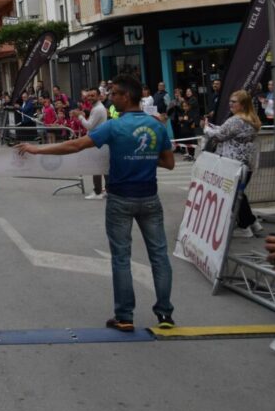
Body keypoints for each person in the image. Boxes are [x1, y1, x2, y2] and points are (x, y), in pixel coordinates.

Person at [16, 73, 176, 332]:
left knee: (121, 257)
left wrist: (37, 150)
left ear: (126, 97)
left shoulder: (114, 126)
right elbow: (169, 163)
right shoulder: (156, 125)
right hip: (149, 197)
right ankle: (165, 314)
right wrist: (143, 155)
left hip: (121, 198)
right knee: (159, 255)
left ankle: (125, 316)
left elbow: (76, 145)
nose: (110, 98)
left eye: (114, 94)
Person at [202, 90, 262, 238]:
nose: (230, 104)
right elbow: (226, 131)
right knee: (239, 194)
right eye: (230, 101)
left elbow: (219, 135)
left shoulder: (236, 120)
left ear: (242, 104)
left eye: (233, 102)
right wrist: (214, 127)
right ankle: (253, 223)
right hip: (245, 164)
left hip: (232, 164)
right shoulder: (250, 119)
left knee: (235, 196)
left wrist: (205, 128)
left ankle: (245, 227)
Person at [75, 88, 108, 200]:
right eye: (89, 96)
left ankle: (98, 192)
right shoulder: (97, 108)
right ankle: (108, 190)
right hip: (99, 140)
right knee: (103, 167)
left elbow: (89, 126)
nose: (90, 98)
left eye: (92, 95)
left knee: (97, 167)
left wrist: (80, 116)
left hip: (96, 141)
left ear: (99, 96)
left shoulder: (98, 109)